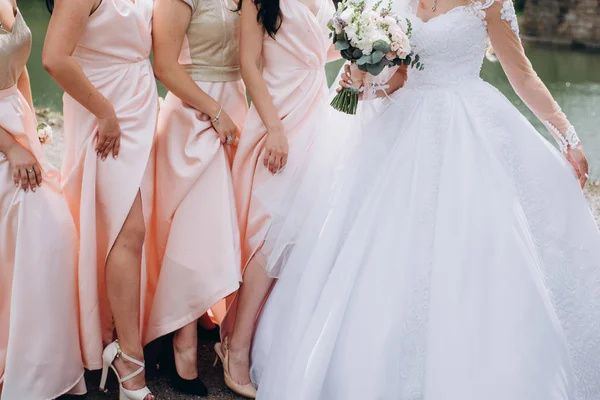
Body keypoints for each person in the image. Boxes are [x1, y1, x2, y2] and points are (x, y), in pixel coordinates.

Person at [249, 0, 600, 399]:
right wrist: (364, 86)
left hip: (468, 130)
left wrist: (567, 137)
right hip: (401, 131)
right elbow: (400, 76)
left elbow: (521, 75)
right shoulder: (403, 2)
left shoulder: (490, 4)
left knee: (474, 252)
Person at [216, 0, 338, 396]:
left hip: (319, 111)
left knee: (300, 230)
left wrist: (366, 44)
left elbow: (320, 48)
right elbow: (249, 64)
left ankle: (253, 335)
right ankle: (235, 348)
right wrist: (273, 127)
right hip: (279, 116)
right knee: (268, 233)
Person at [42, 0, 158, 398]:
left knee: (125, 230)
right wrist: (105, 112)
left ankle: (110, 333)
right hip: (103, 111)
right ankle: (129, 361)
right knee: (127, 231)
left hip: (137, 107)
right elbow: (54, 57)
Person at [145, 0, 246, 395]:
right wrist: (214, 111)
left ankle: (203, 315)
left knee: (222, 224)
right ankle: (180, 343)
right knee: (191, 228)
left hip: (235, 105)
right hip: (195, 113)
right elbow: (164, 66)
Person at [0, 0, 86, 398]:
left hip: (15, 125)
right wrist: (11, 148)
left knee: (41, 240)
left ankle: (31, 361)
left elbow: (19, 75)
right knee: (37, 236)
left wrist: (29, 132)